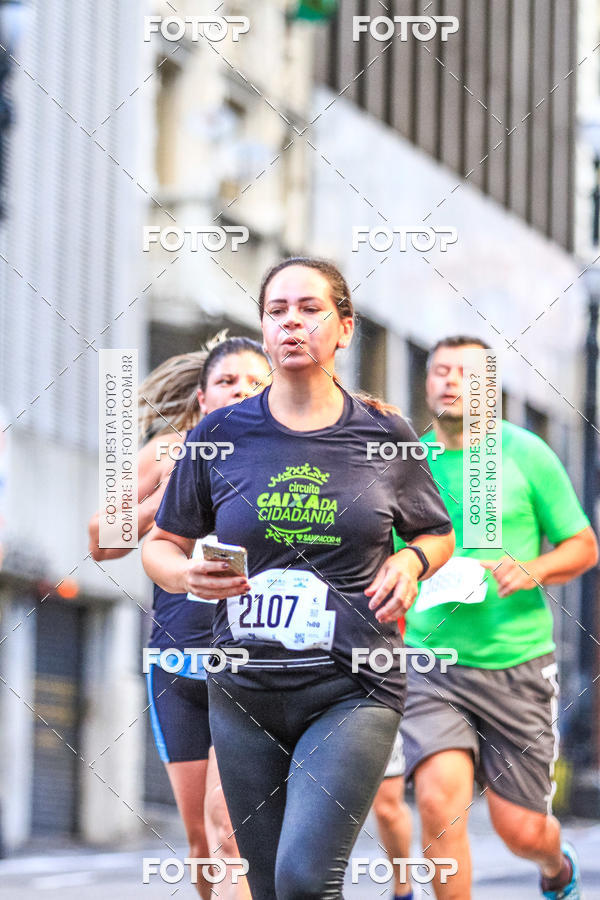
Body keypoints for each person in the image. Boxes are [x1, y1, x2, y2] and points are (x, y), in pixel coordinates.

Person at [142, 256, 455, 900]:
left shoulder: (383, 434)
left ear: (343, 329)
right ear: (262, 328)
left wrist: (412, 560)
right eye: (276, 311)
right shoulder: (220, 434)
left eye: (310, 310)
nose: (291, 324)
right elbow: (161, 546)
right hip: (243, 691)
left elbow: (436, 531)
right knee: (268, 887)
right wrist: (186, 575)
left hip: (352, 686)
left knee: (306, 880)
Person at [399, 335, 598, 900]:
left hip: (517, 663)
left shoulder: (525, 453)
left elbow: (583, 546)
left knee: (521, 830)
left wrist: (534, 568)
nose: (450, 381)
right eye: (440, 370)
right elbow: (388, 555)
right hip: (433, 664)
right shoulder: (412, 462)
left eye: (466, 372)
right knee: (439, 804)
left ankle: (555, 866)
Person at [89, 335, 272, 900]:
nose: (241, 391)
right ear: (201, 395)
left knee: (229, 829)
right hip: (176, 658)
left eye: (255, 383)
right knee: (199, 837)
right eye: (228, 382)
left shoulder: (284, 453)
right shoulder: (170, 450)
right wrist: (159, 502)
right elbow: (100, 541)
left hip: (248, 660)